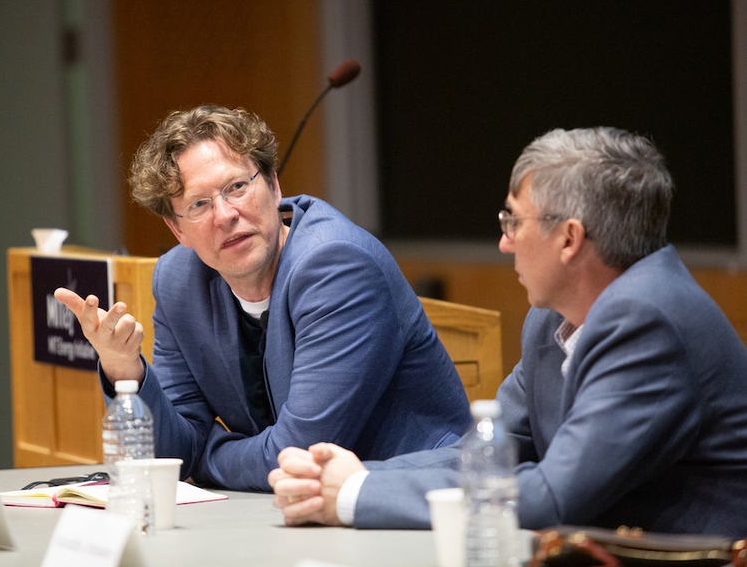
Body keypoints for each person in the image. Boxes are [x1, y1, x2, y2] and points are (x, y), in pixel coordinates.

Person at [269, 127, 747, 538]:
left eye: (513, 221)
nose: (503, 241)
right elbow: (488, 456)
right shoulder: (552, 317)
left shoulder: (649, 322)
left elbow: (552, 497)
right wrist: (339, 478)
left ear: (569, 239)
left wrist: (356, 493)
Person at [55, 105, 472, 491]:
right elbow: (172, 455)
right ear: (177, 230)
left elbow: (297, 454)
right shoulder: (178, 282)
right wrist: (124, 369)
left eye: (237, 186)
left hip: (410, 500)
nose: (225, 214)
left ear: (273, 186)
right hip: (295, 511)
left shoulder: (337, 265)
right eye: (199, 204)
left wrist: (206, 455)